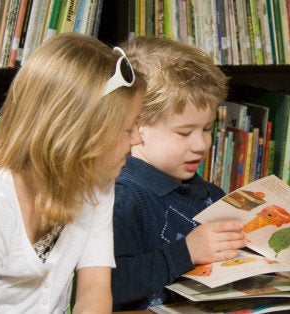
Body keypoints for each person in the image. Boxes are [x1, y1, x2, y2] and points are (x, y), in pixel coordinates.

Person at [0, 33, 145, 313]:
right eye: (127, 128)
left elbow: (94, 292)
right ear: (79, 132)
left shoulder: (98, 181)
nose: (137, 139)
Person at [111, 36, 248, 311]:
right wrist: (186, 252)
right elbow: (111, 284)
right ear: (137, 126)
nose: (201, 145)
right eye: (184, 132)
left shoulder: (212, 195)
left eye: (208, 129)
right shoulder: (122, 197)